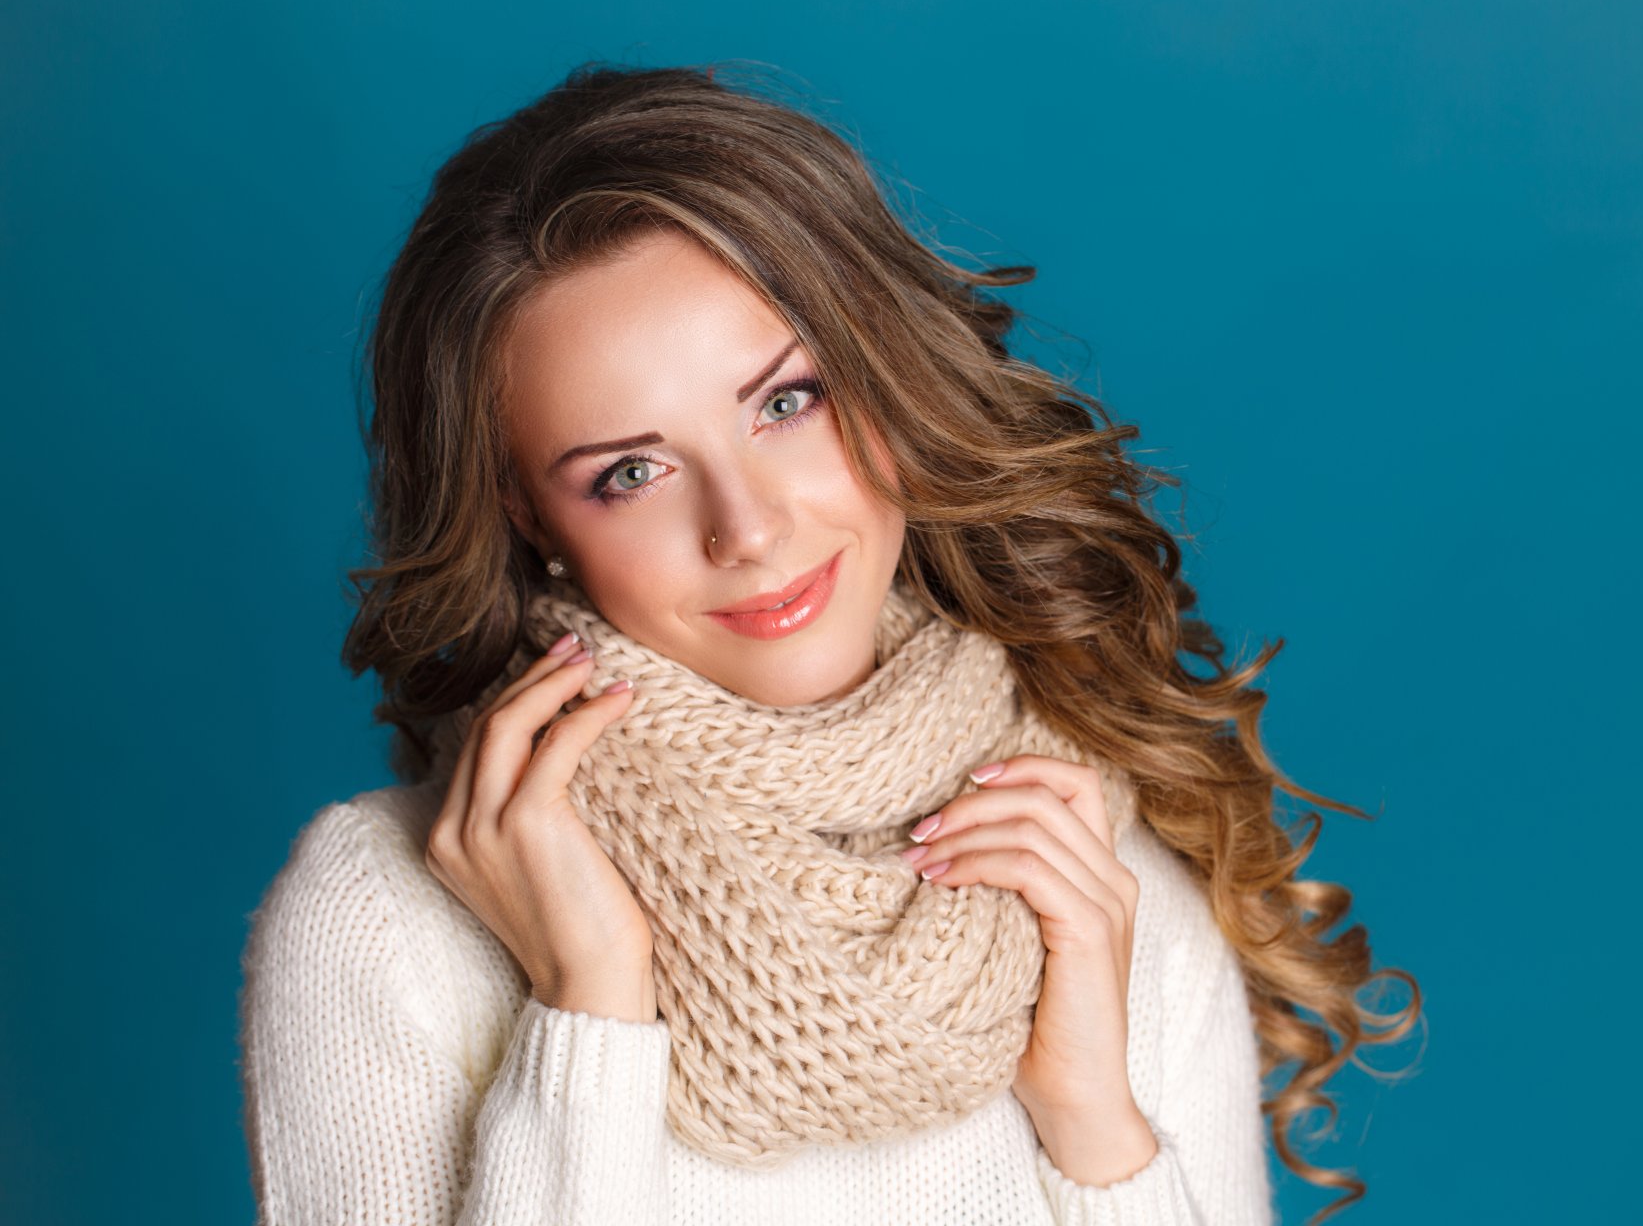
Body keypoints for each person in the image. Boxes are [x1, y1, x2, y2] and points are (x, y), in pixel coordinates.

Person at [237, 60, 1420, 1226]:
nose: (748, 528)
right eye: (630, 472)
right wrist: (590, 1011)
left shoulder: (1091, 879)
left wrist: (1094, 1128)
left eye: (785, 402)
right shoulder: (384, 921)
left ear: (889, 381)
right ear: (524, 516)